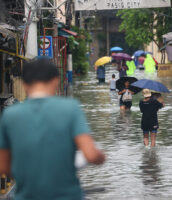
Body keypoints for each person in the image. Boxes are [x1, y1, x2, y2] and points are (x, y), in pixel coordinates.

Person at [0, 59, 106, 200]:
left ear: (24, 84)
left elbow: (4, 166)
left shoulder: (9, 115)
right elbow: (91, 155)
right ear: (56, 81)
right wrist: (101, 156)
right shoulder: (70, 108)